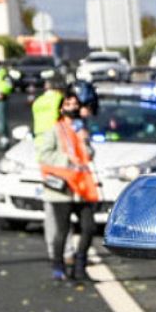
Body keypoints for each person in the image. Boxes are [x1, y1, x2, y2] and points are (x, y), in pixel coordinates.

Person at [37, 90, 100, 281]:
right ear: (61, 108)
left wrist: (84, 139)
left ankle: (80, 264)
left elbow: (88, 156)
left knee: (88, 227)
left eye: (75, 104)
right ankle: (59, 265)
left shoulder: (81, 129)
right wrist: (66, 160)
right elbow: (44, 155)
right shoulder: (54, 130)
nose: (72, 108)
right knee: (62, 230)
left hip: (81, 187)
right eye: (68, 104)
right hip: (62, 188)